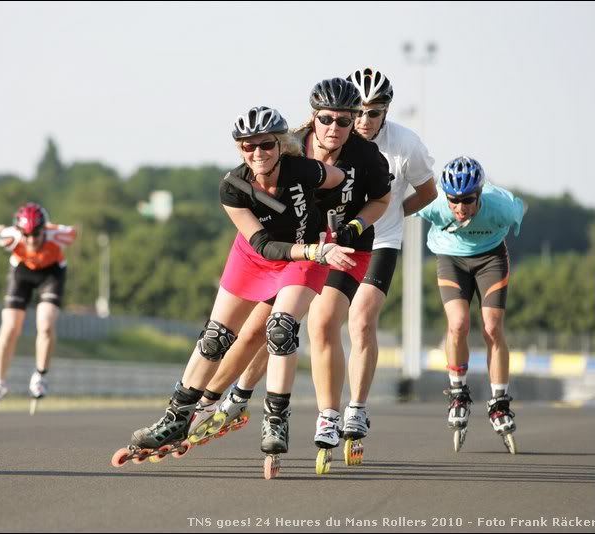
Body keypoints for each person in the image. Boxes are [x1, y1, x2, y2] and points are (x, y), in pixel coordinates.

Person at [114, 106, 353, 478]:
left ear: (281, 145)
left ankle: (275, 419)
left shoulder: (303, 169)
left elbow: (339, 178)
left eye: (265, 145)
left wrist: (336, 215)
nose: (257, 153)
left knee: (281, 329)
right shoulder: (233, 187)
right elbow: (261, 244)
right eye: (248, 147)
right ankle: (176, 418)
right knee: (214, 337)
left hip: (306, 256)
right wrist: (310, 249)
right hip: (259, 255)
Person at [190, 78, 392, 468]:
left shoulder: (366, 157)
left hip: (344, 247)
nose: (334, 128)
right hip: (297, 247)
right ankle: (216, 401)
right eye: (326, 119)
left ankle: (328, 415)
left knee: (315, 321)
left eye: (344, 121)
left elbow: (382, 199)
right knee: (252, 331)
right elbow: (251, 176)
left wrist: (356, 226)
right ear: (312, 117)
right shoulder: (289, 144)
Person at [340, 66, 437, 434]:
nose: (364, 120)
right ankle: (328, 408)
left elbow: (428, 193)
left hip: (381, 240)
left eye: (374, 112)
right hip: (340, 243)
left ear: (387, 111)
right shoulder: (333, 137)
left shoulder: (406, 144)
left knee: (362, 321)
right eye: (358, 111)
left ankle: (357, 407)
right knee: (323, 322)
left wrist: (395, 213)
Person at [416, 156, 525, 454]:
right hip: (450, 259)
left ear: (479, 194)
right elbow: (397, 205)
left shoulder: (501, 206)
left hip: (490, 258)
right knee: (458, 324)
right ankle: (458, 392)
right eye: (454, 200)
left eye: (468, 200)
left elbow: (520, 211)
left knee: (492, 327)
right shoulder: (434, 203)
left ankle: (500, 401)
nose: (460, 208)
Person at [0, 202, 77, 414]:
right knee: (10, 327)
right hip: (21, 272)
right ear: (19, 232)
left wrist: (63, 228)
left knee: (46, 324)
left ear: (45, 230)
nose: (32, 240)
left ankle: (40, 376)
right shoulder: (10, 237)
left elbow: (73, 232)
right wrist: (0, 229)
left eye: (37, 234)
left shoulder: (57, 235)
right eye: (27, 235)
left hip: (51, 273)